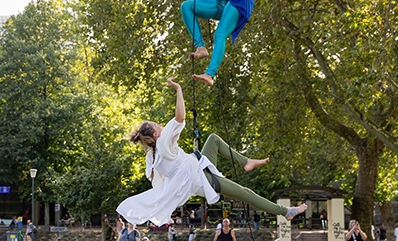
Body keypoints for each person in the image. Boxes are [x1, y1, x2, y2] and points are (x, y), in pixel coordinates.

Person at [116, 78, 307, 226]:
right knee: (245, 193)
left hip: (199, 165)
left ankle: (246, 161)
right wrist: (179, 89)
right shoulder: (164, 142)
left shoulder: (152, 156)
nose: (160, 123)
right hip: (203, 179)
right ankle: (285, 211)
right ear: (156, 134)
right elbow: (180, 118)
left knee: (213, 139)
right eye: (156, 124)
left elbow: (157, 181)